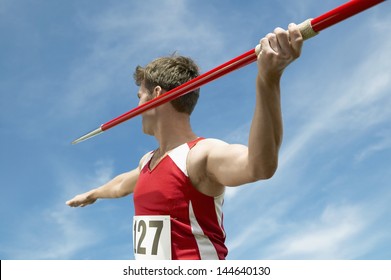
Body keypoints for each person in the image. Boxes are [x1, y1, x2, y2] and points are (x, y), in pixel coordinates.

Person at [66, 23, 303, 260]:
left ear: (156, 94)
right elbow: (119, 186)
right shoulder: (147, 162)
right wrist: (92, 194)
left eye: (140, 97)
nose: (136, 108)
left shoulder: (201, 155)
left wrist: (268, 79)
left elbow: (259, 166)